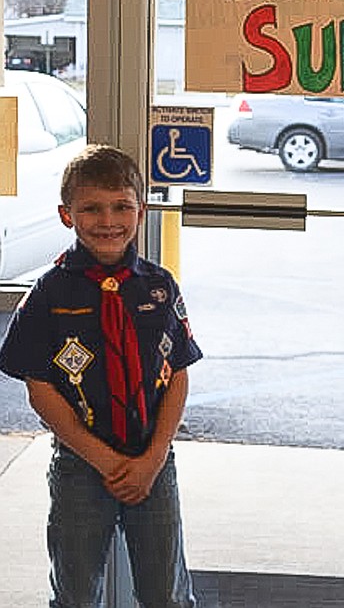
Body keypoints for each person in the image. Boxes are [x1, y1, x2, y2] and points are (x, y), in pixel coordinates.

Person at [0, 144, 202, 608]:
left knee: (166, 594)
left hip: (154, 462)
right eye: (91, 208)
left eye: (121, 207)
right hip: (80, 467)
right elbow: (40, 389)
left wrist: (152, 458)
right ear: (66, 215)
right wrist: (104, 461)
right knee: (74, 593)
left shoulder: (159, 286)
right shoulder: (49, 293)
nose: (107, 220)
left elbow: (178, 375)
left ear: (141, 210)